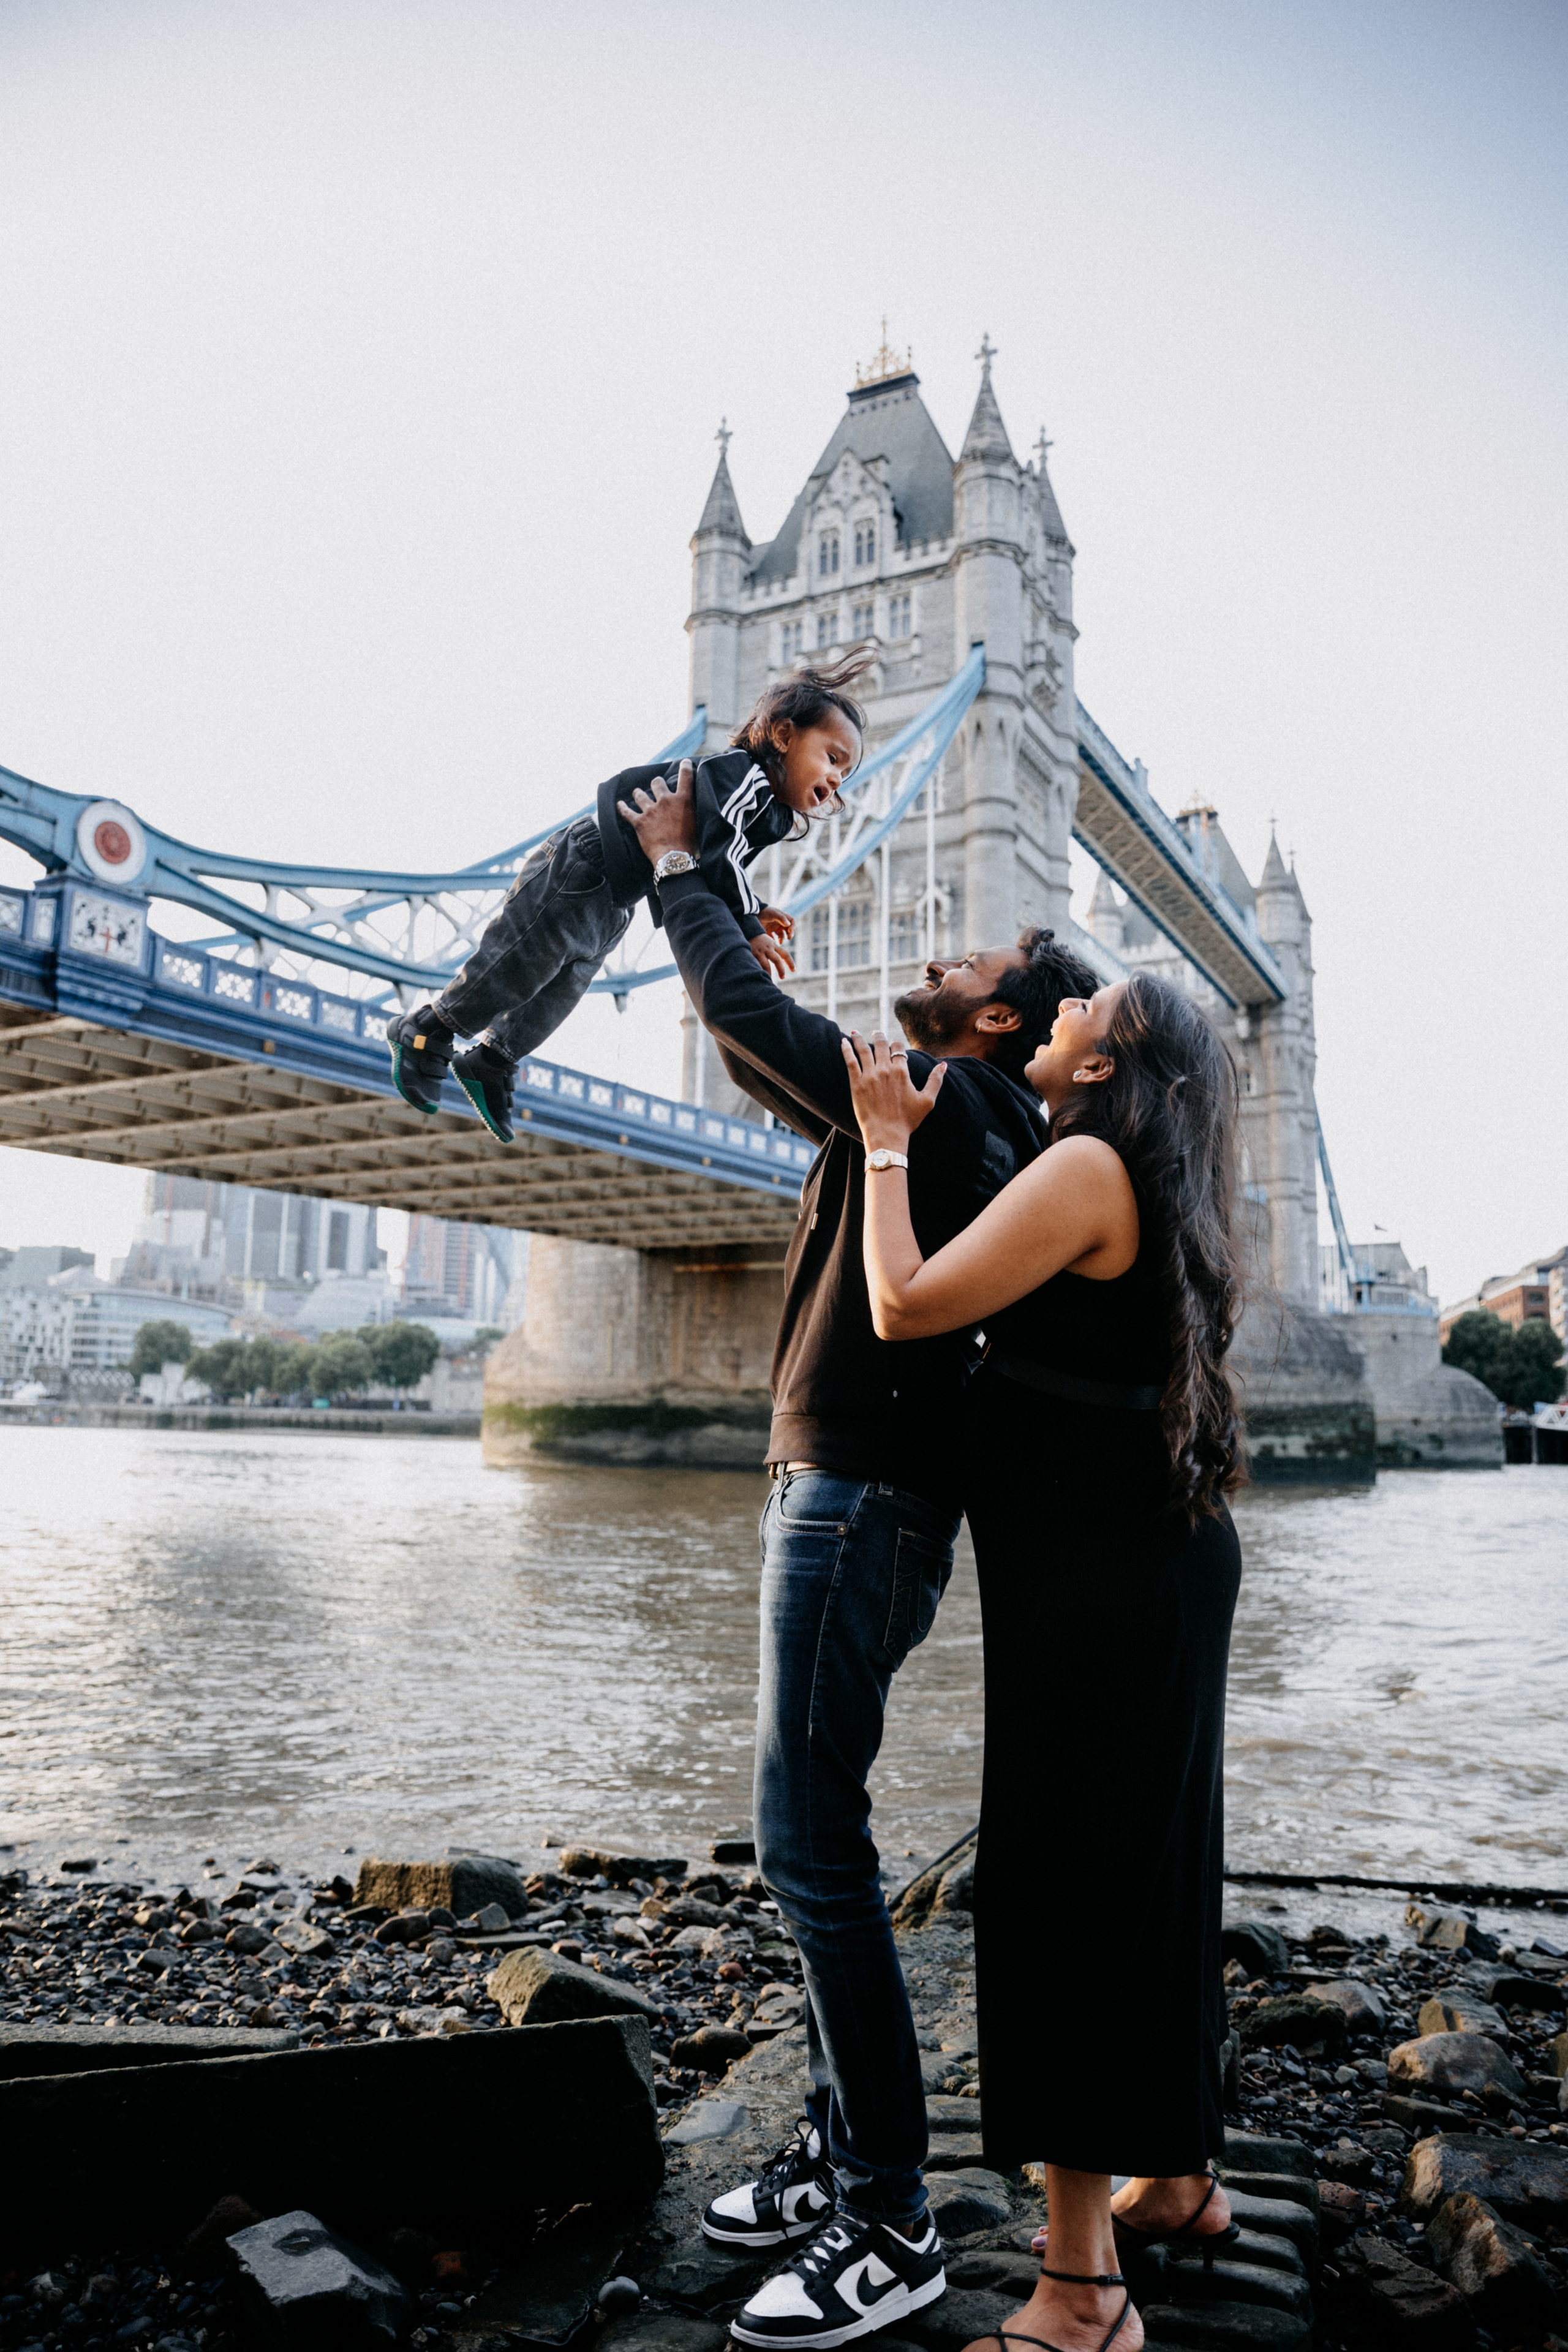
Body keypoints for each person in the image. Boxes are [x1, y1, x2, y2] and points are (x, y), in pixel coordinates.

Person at [617, 760, 1101, 2352]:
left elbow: (764, 1035)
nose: (945, 958)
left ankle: (887, 2213)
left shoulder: (959, 1106)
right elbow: (782, 1068)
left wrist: (678, 873)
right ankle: (843, 2152)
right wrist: (742, 950)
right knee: (815, 1835)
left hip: (857, 1504)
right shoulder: (951, 1111)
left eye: (971, 964)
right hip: (849, 1499)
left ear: (997, 1026)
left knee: (811, 1848)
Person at [839, 978, 1246, 2352]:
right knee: (1158, 1874)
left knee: (1059, 1895)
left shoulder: (1081, 1165)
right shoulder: (1159, 1185)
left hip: (1099, 1586)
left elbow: (902, 1304)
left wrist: (883, 1136)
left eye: (1092, 1000)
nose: (1063, 1000)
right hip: (1154, 1566)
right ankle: (1176, 2183)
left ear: (1109, 1059)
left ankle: (1078, 2295)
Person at [385, 657, 872, 1140]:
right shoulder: (743, 773)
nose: (835, 782)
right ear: (784, 736)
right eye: (832, 759)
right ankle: (428, 1029)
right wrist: (747, 925)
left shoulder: (772, 812)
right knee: (518, 965)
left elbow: (721, 862)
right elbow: (719, 849)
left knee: (561, 988)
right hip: (585, 862)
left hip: (621, 894)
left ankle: (492, 1060)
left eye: (845, 776)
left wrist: (754, 905)